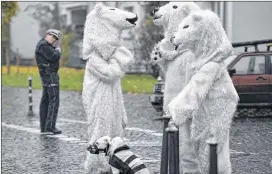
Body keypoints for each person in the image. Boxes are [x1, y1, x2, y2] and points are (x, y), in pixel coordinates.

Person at [35, 29, 62, 134]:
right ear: (48, 35)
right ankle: (50, 127)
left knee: (46, 101)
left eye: (56, 39)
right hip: (50, 75)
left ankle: (44, 127)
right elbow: (53, 57)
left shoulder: (43, 45)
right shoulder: (44, 45)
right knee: (54, 100)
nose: (54, 40)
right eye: (53, 37)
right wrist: (58, 51)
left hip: (47, 75)